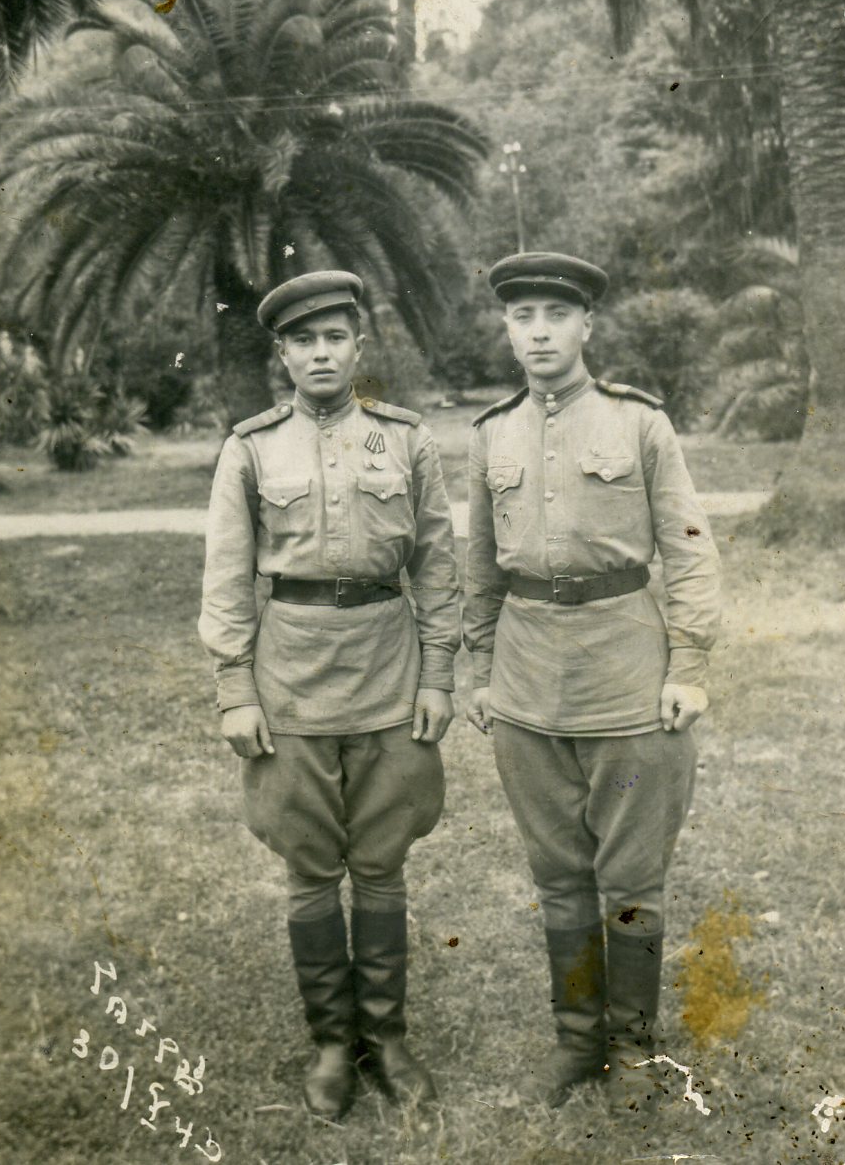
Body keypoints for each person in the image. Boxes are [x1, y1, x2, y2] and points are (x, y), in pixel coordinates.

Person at [464, 252, 722, 1116]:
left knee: (632, 873)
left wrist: (688, 665)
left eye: (555, 315)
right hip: (527, 675)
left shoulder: (638, 422)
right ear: (507, 329)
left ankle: (633, 1047)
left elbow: (688, 547)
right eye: (522, 316)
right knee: (557, 871)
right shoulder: (491, 433)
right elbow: (479, 564)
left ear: (586, 326)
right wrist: (479, 668)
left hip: (626, 669)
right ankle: (577, 1041)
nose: (538, 332)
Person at [198, 271, 459, 1121]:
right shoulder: (251, 448)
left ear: (358, 347)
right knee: (310, 865)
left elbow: (438, 565)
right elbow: (227, 578)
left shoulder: (405, 440)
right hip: (291, 679)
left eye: (335, 338)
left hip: (389, 672)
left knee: (381, 861)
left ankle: (386, 1038)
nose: (320, 354)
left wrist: (438, 675)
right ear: (282, 353)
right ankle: (331, 1045)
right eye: (303, 341)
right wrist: (236, 689)